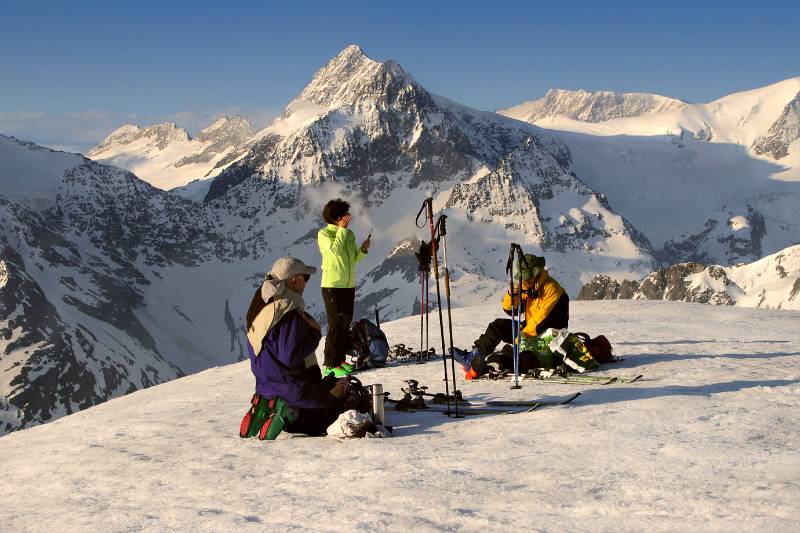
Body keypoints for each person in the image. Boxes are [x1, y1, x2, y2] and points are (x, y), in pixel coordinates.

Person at [240, 257, 349, 440]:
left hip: (266, 382)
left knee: (325, 389)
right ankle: (289, 413)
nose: (306, 284)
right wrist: (314, 333)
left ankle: (267, 404)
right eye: (305, 278)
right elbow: (289, 356)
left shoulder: (263, 301)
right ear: (293, 280)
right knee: (336, 412)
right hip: (289, 386)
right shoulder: (288, 310)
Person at [450, 253, 569, 378]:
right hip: (530, 332)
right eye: (524, 278)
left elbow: (541, 321)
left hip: (549, 337)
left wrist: (520, 337)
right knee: (498, 326)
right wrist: (511, 295)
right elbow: (510, 310)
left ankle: (496, 361)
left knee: (524, 357)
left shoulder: (552, 289)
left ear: (537, 273)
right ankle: (475, 356)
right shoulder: (528, 285)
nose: (526, 281)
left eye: (528, 278)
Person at [317, 199, 371, 377]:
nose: (349, 217)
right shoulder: (324, 235)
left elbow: (351, 260)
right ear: (338, 217)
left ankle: (339, 361)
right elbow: (334, 252)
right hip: (332, 285)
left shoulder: (349, 235)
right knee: (335, 325)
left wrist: (362, 251)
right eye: (346, 215)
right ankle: (330, 364)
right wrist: (341, 229)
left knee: (344, 324)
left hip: (348, 285)